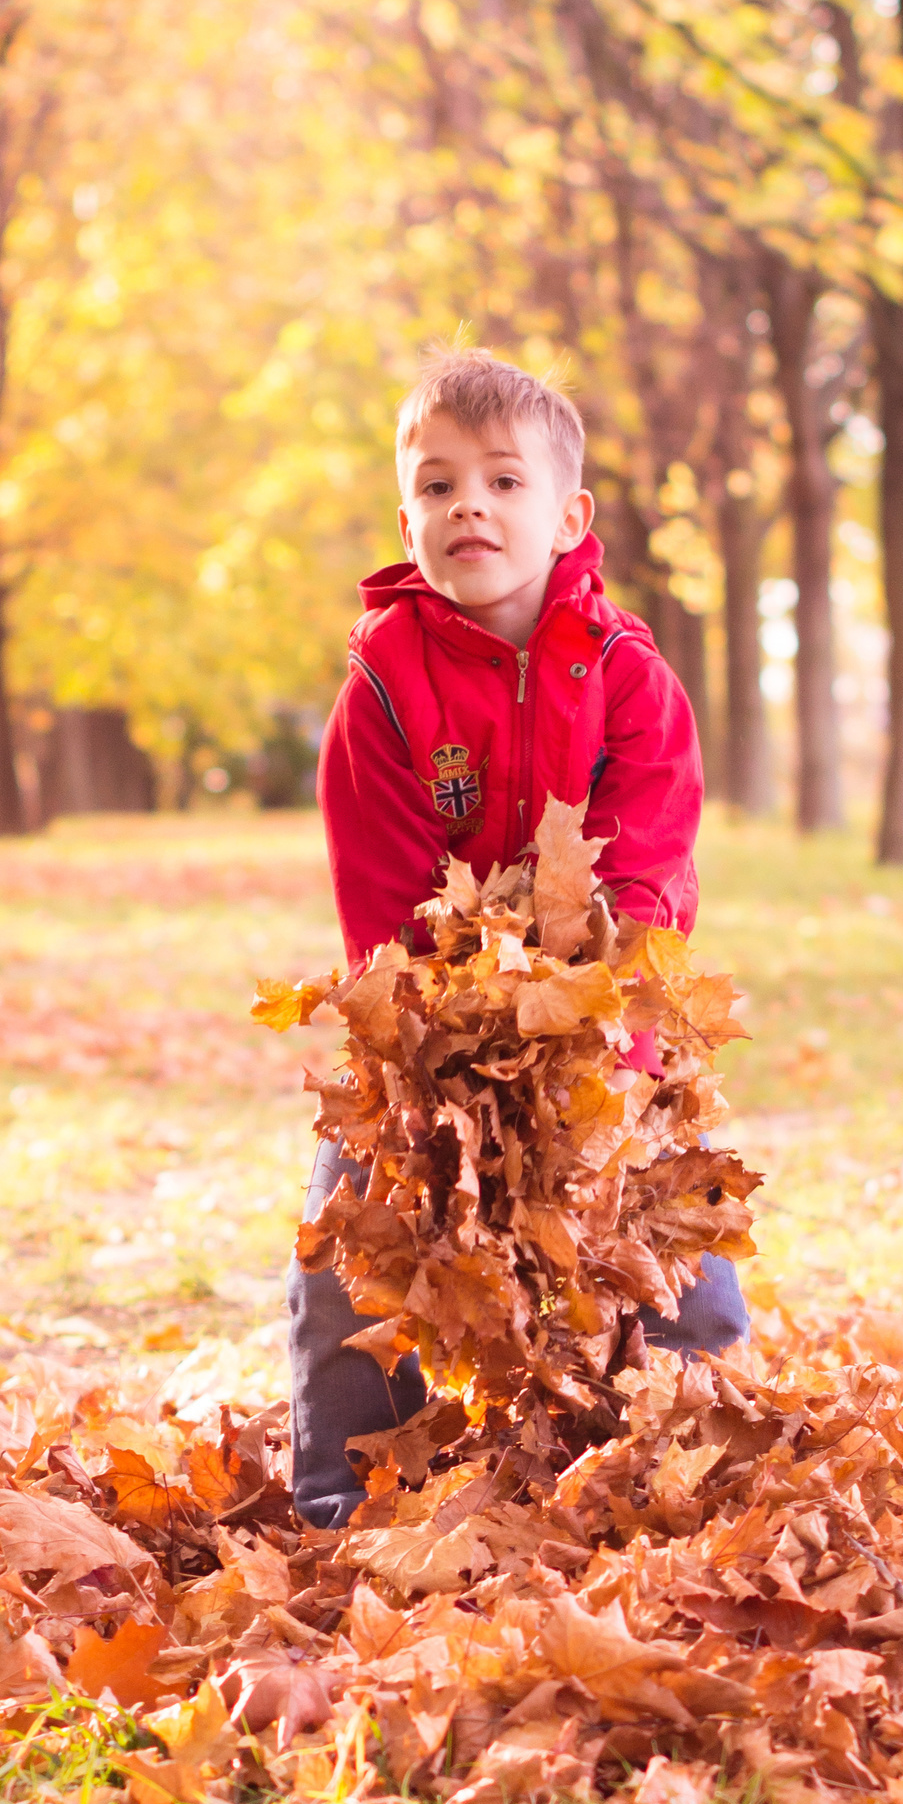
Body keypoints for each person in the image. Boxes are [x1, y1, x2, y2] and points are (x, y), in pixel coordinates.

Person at [287, 347, 748, 1528]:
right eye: (436, 487)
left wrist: (609, 1057)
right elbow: (381, 899)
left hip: (606, 1020)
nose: (468, 507)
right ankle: (344, 1491)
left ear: (567, 514)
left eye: (501, 481)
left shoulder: (628, 675)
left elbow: (646, 876)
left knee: (668, 1226)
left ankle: (701, 1450)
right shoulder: (381, 689)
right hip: (434, 1025)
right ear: (407, 517)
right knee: (353, 1234)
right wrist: (433, 1069)